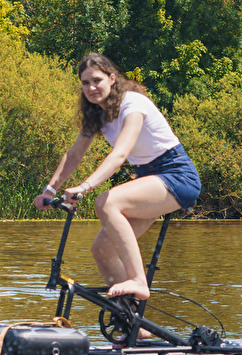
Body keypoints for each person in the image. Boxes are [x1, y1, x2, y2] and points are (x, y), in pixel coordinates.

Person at [33, 53, 201, 301]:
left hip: (177, 176)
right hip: (149, 178)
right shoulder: (97, 115)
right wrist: (50, 190)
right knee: (103, 250)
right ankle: (133, 325)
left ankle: (138, 282)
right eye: (85, 82)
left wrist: (86, 185)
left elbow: (120, 153)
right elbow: (74, 154)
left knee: (107, 202)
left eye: (97, 80)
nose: (91, 87)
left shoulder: (133, 103)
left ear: (112, 79)